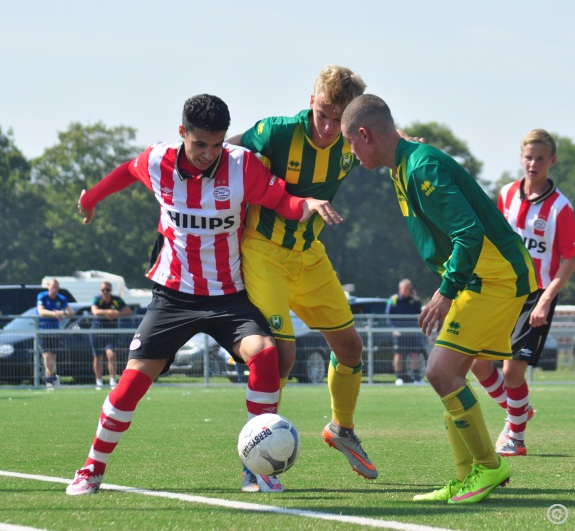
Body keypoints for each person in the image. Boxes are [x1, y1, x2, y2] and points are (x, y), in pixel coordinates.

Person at [65, 93, 342, 496]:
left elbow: (281, 200)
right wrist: (90, 199)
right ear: (182, 133)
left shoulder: (240, 165)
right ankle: (91, 468)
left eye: (217, 144)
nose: (209, 154)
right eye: (200, 144)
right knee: (131, 382)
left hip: (228, 297)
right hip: (172, 297)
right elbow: (126, 171)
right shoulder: (158, 160)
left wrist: (307, 204)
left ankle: (257, 468)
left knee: (264, 354)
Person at [341, 94, 536, 505]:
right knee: (449, 376)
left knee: (440, 373)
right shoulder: (404, 162)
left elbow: (469, 232)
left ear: (364, 135)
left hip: (493, 277)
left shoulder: (420, 167)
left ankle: (488, 465)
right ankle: (466, 476)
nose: (351, 153)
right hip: (480, 276)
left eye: (350, 143)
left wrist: (446, 292)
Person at [227, 66, 378, 486]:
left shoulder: (352, 139)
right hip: (264, 253)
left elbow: (385, 146)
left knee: (350, 348)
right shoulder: (277, 132)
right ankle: (253, 465)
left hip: (309, 256)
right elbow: (224, 151)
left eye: (339, 120)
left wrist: (405, 148)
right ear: (311, 101)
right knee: (281, 356)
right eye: (323, 114)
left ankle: (341, 430)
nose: (329, 128)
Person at [472, 129, 575, 457]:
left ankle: (516, 439)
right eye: (528, 157)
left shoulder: (561, 208)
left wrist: (547, 300)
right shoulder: (506, 193)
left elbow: (570, 259)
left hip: (538, 296)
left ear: (551, 161)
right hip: (504, 291)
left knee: (511, 370)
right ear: (521, 158)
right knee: (478, 363)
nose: (532, 163)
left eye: (539, 158)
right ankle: (518, 411)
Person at [90, 282, 132, 389]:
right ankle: (99, 381)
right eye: (103, 290)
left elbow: (128, 310)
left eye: (107, 290)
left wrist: (116, 313)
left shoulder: (116, 300)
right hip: (97, 331)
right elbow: (94, 311)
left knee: (111, 354)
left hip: (111, 331)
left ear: (111, 290)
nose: (105, 292)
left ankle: (112, 380)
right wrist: (108, 311)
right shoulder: (97, 299)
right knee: (97, 356)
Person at [386, 278, 426, 385]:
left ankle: (417, 378)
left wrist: (416, 299)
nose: (408, 291)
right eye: (406, 289)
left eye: (410, 289)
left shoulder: (412, 300)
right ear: (400, 289)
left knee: (415, 354)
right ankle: (399, 377)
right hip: (400, 333)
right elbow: (388, 317)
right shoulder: (393, 300)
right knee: (399, 354)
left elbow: (419, 312)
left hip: (413, 332)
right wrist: (393, 329)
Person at [36, 278, 74, 388]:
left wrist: (61, 312)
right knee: (46, 356)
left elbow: (70, 312)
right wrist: (55, 314)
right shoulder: (42, 296)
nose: (54, 289)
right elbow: (41, 311)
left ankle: (50, 380)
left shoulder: (61, 298)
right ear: (48, 287)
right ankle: (52, 378)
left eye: (56, 287)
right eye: (52, 287)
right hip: (43, 330)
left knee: (52, 357)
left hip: (55, 330)